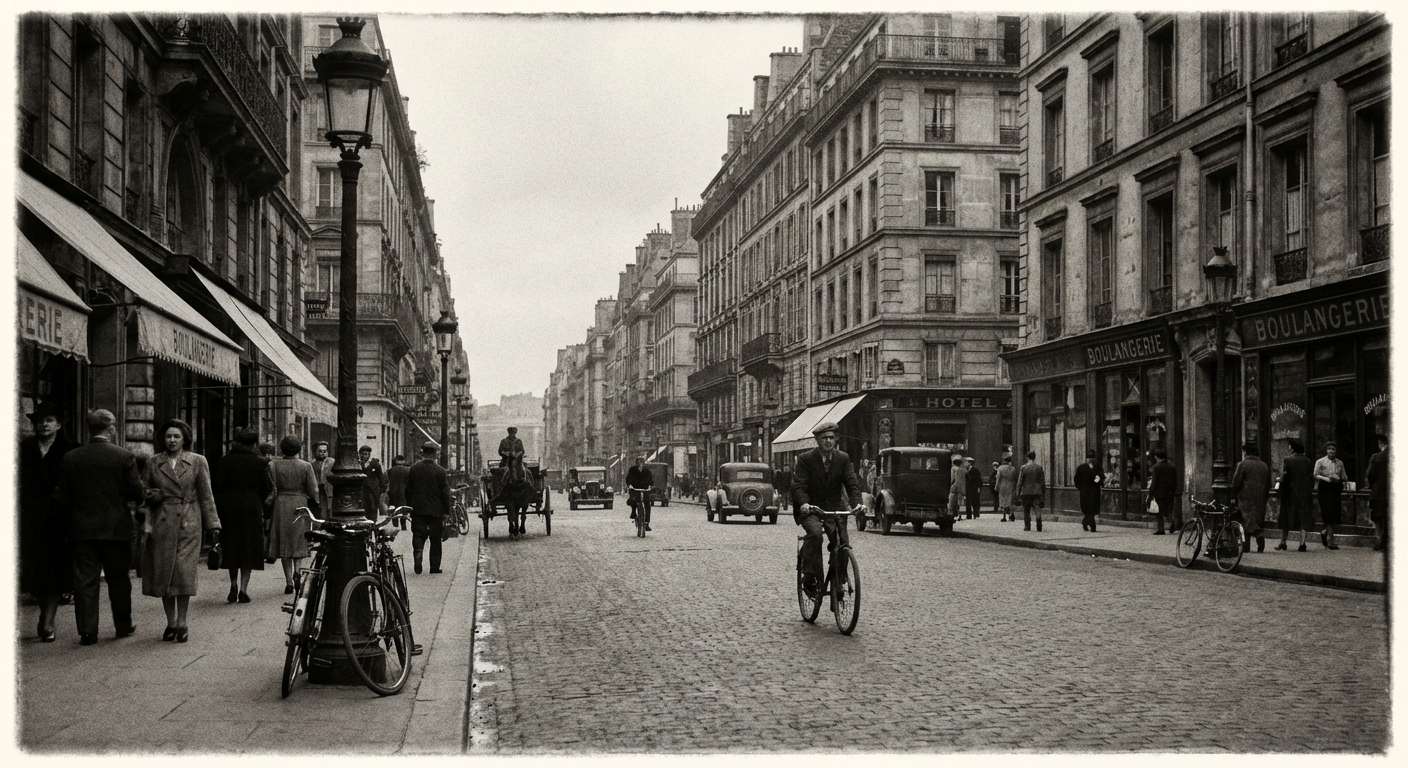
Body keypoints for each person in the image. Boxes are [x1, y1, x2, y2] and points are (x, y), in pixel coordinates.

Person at [55, 409, 144, 646]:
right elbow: (136, 492)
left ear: (90, 429)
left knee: (85, 581)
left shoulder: (72, 457)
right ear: (111, 428)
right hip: (116, 529)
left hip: (82, 529)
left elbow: (62, 497)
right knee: (118, 578)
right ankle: (123, 624)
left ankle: (87, 630)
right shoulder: (124, 456)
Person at [140, 418, 220, 643]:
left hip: (189, 522)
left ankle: (183, 621)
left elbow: (206, 495)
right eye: (168, 436)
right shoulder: (154, 462)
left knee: (184, 573)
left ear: (185, 438)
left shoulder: (197, 461)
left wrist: (213, 524)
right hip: (162, 522)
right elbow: (143, 491)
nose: (172, 440)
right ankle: (170, 622)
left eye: (176, 436)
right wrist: (151, 496)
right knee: (164, 572)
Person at [20, 402, 76, 642]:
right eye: (40, 421)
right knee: (34, 569)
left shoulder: (69, 450)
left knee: (53, 569)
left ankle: (48, 619)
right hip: (29, 517)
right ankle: (44, 610)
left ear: (59, 425)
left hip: (59, 519)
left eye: (49, 420)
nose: (43, 425)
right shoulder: (25, 448)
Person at [791, 421, 861, 599]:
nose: (829, 441)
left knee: (842, 541)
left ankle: (840, 578)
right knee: (815, 534)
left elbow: (851, 483)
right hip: (811, 508)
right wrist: (804, 504)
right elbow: (799, 486)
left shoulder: (843, 458)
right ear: (817, 440)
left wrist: (858, 503)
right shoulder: (806, 459)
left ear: (835, 439)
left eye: (831, 438)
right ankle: (809, 576)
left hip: (834, 508)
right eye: (824, 438)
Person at [211, 428, 272, 604]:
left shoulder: (224, 462)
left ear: (236, 442)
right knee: (249, 548)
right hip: (252, 508)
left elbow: (217, 487)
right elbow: (267, 488)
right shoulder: (260, 463)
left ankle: (233, 584)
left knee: (232, 546)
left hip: (229, 509)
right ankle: (244, 589)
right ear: (253, 444)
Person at [267, 436, 320, 594]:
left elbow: (272, 487)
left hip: (281, 503)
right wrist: (315, 501)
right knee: (298, 539)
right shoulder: (306, 466)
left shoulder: (274, 465)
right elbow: (314, 489)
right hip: (300, 502)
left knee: (284, 541)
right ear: (299, 449)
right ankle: (298, 571)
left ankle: (289, 581)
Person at [406, 441, 451, 574]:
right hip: (436, 511)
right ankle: (434, 567)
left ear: (423, 453)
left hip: (418, 509)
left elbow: (408, 490)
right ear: (435, 454)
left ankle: (418, 554)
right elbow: (445, 493)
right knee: (435, 539)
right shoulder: (441, 471)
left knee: (418, 534)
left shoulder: (414, 469)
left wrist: (410, 506)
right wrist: (446, 511)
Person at [1232, 442, 1273, 554]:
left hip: (1245, 497)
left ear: (1246, 452)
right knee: (1254, 519)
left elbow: (1236, 482)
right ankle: (1258, 538)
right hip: (1260, 498)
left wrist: (1234, 493)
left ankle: (1250, 543)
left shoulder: (1242, 464)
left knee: (1246, 520)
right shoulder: (1264, 465)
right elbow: (1269, 484)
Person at [1277, 438, 1315, 552]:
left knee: (1286, 517)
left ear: (1293, 448)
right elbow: (1310, 478)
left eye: (1289, 446)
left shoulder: (1287, 460)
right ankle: (1302, 543)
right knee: (1303, 518)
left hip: (1290, 493)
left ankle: (1283, 542)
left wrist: (1279, 480)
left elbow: (1284, 477)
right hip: (1304, 494)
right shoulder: (1308, 461)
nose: (1289, 447)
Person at [1312, 441, 1348, 551]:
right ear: (1326, 450)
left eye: (1333, 449)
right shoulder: (1320, 461)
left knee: (1334, 514)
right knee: (1327, 513)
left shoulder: (1340, 463)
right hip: (1324, 489)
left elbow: (1344, 477)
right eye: (1329, 449)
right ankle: (1331, 541)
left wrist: (1339, 478)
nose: (1331, 451)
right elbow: (1314, 474)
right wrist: (1326, 478)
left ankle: (1324, 532)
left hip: (1335, 489)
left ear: (1336, 451)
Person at [1365, 434, 1389, 552]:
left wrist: (1372, 485)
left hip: (1378, 493)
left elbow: (1370, 475)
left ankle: (1380, 542)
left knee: (1379, 518)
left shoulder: (1376, 457)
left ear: (1380, 443)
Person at [1147, 449, 1179, 534]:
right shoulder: (1172, 466)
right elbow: (1175, 480)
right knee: (1169, 510)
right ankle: (1173, 525)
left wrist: (1151, 493)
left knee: (1160, 512)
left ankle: (1161, 529)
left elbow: (1154, 482)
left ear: (1157, 457)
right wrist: (1173, 490)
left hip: (1159, 493)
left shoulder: (1156, 467)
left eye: (1155, 456)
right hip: (1170, 492)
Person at [1073, 449, 1104, 532]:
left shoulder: (1097, 467)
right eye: (1089, 458)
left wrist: (1097, 481)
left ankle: (1089, 524)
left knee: (1092, 509)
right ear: (1086, 459)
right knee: (1087, 509)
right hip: (1085, 492)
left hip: (1093, 491)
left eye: (1092, 458)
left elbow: (1100, 477)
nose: (1090, 460)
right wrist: (1080, 487)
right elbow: (1076, 479)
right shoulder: (1081, 468)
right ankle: (1087, 523)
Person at [1017, 450, 1046, 532]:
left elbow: (1020, 482)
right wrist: (1043, 494)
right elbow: (1042, 482)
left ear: (1027, 457)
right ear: (1034, 457)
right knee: (1037, 508)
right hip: (1037, 491)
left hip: (1026, 492)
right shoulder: (1039, 467)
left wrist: (1018, 494)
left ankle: (1027, 526)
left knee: (1026, 509)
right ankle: (1039, 525)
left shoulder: (1023, 468)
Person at [626, 456, 655, 530]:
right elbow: (628, 479)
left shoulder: (647, 471)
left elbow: (650, 480)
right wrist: (629, 485)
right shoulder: (632, 470)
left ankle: (647, 523)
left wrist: (651, 486)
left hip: (645, 489)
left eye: (642, 462)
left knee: (647, 504)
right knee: (633, 500)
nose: (640, 463)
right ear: (636, 463)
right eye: (639, 462)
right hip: (635, 489)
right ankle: (633, 512)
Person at [359, 445, 386, 521]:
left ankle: (372, 525)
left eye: (367, 454)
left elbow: (381, 477)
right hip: (362, 491)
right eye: (364, 454)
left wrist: (380, 490)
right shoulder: (358, 464)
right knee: (363, 509)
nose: (366, 456)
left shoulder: (375, 464)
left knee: (373, 509)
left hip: (373, 492)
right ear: (360, 454)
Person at [387, 454, 411, 530]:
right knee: (403, 508)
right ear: (403, 461)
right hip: (404, 492)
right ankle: (403, 525)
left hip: (393, 492)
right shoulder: (408, 470)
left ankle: (395, 524)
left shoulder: (391, 470)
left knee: (394, 508)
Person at [310, 441, 334, 511]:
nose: (323, 453)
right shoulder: (311, 464)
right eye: (320, 451)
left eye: (325, 451)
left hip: (328, 491)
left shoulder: (332, 462)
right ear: (315, 452)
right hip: (317, 491)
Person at [995, 456, 1018, 522]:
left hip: (1002, 486)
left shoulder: (1000, 468)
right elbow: (1015, 478)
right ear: (1009, 461)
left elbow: (998, 478)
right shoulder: (1013, 468)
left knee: (1003, 501)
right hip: (1011, 486)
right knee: (1010, 501)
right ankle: (1011, 514)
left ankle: (1004, 516)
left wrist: (996, 486)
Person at [948, 456, 966, 521]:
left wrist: (949, 484)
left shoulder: (953, 469)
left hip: (954, 487)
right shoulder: (963, 470)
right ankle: (959, 515)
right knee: (959, 503)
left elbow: (952, 479)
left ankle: (951, 514)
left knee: (951, 502)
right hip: (961, 488)